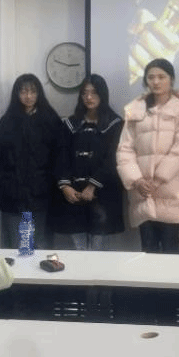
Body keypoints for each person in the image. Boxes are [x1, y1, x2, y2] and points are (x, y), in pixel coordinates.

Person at [117, 58, 179, 254]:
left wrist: (158, 179)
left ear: (171, 80)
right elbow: (125, 149)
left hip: (170, 190)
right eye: (151, 77)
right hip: (143, 192)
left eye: (161, 77)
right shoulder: (135, 110)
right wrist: (137, 180)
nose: (156, 82)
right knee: (147, 249)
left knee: (170, 248)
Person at [0, 74, 64, 249]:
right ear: (16, 94)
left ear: (39, 93)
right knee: (15, 246)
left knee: (39, 245)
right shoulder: (6, 122)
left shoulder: (50, 120)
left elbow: (60, 157)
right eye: (23, 91)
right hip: (12, 195)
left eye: (33, 91)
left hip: (41, 195)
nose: (28, 96)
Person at [51, 75, 124, 250]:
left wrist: (92, 186)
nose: (89, 97)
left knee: (99, 252)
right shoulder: (70, 124)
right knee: (78, 251)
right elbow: (61, 156)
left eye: (94, 93)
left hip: (103, 195)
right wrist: (65, 186)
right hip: (73, 195)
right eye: (84, 93)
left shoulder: (115, 124)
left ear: (102, 94)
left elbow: (113, 158)